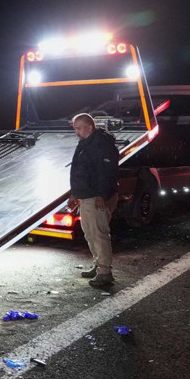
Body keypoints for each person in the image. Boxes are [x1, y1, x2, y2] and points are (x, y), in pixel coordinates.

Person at [68, 113, 119, 288]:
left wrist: (101, 195)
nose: (76, 132)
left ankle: (105, 273)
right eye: (74, 128)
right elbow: (81, 171)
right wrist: (75, 194)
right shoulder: (86, 143)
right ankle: (99, 265)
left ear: (89, 127)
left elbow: (106, 173)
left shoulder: (101, 145)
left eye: (78, 128)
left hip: (95, 197)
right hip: (85, 196)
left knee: (99, 234)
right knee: (90, 234)